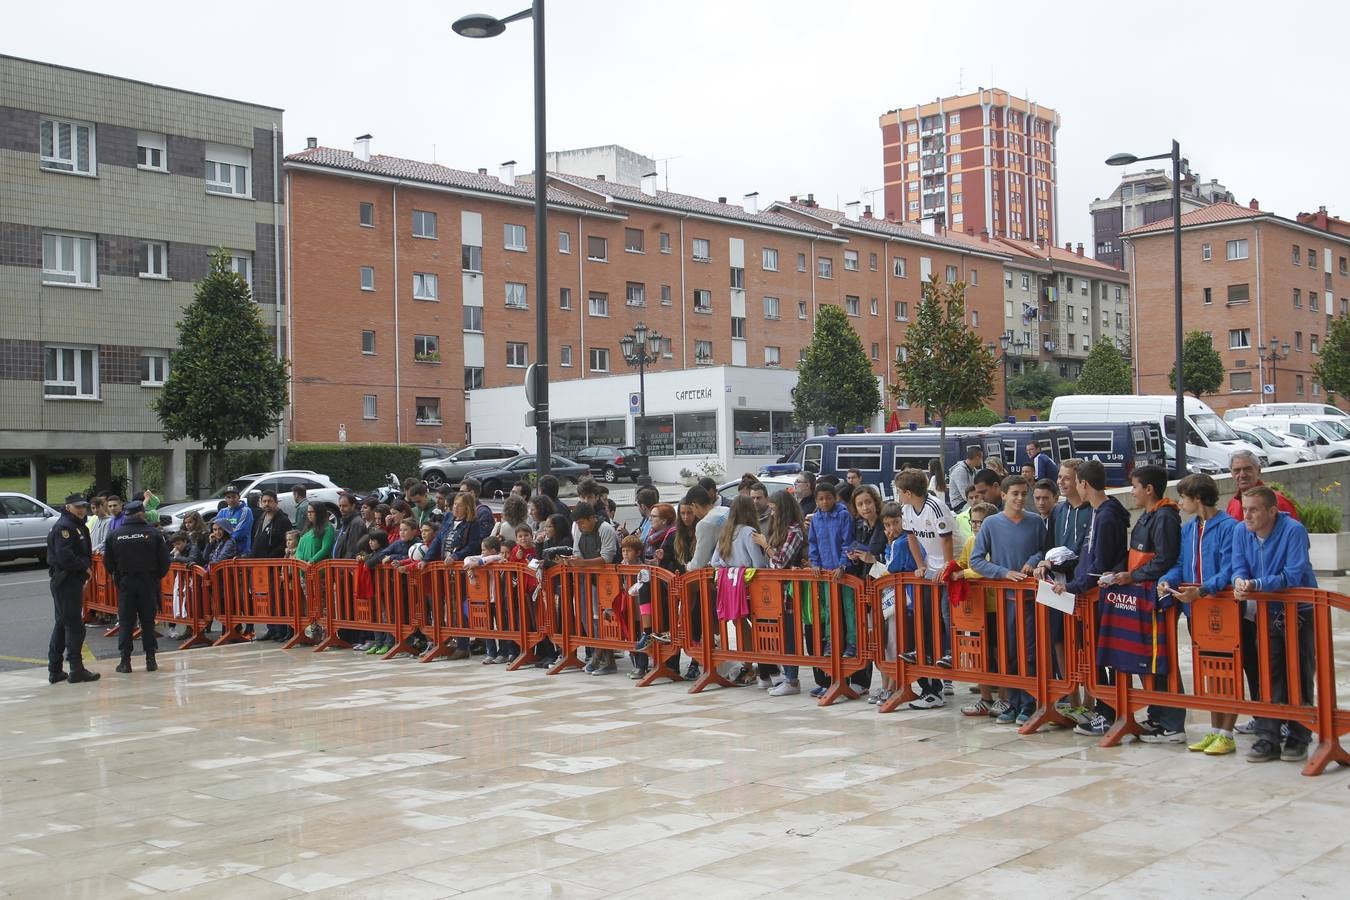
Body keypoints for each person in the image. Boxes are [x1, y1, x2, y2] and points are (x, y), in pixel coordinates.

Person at [1232, 486, 1318, 763]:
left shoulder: (1293, 531)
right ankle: (1268, 735)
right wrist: (1239, 581)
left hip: (1299, 611)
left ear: (1272, 510)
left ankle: (1299, 734)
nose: (1247, 515)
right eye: (1245, 509)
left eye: (1254, 509)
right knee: (1268, 672)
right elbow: (1239, 565)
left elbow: (1293, 574)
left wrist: (1255, 584)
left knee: (1300, 672)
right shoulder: (1241, 531)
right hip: (1266, 612)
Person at [1157, 473, 1239, 756]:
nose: (1180, 503)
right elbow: (1182, 563)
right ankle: (1215, 731)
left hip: (1221, 608)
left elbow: (1229, 568)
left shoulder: (1229, 526)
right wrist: (1168, 580)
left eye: (1183, 497)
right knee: (1209, 670)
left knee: (1227, 670)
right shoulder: (1190, 529)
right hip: (1196, 610)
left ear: (1198, 498)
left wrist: (1203, 589)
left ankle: (1227, 732)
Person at [1103, 464, 1183, 743]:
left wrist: (1132, 576)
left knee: (1162, 658)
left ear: (1149, 489)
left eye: (1135, 487)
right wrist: (1118, 573)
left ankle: (1173, 723)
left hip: (1155, 599)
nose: (1132, 492)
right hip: (1139, 598)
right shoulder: (1149, 515)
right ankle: (1157, 713)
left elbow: (1164, 559)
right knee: (1147, 660)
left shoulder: (1165, 517)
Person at [1054, 459, 1131, 737]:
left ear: (1083, 484)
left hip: (1102, 597)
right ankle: (1104, 710)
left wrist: (1073, 586)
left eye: (1074, 481)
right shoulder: (1099, 513)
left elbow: (1101, 563)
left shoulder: (1107, 515)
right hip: (1089, 593)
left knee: (1106, 658)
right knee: (1096, 655)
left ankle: (1110, 712)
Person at [969, 474, 1044, 724]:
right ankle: (1013, 702)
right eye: (1015, 494)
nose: (1020, 498)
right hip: (1004, 599)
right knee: (1009, 651)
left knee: (1030, 651)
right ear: (1003, 495)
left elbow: (1045, 550)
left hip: (1032, 599)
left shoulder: (1035, 522)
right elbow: (976, 560)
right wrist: (1002, 572)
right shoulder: (991, 524)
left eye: (1024, 493)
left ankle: (1030, 702)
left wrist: (1033, 561)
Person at [896, 470, 955, 707]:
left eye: (900, 492)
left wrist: (949, 568)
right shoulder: (907, 510)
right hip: (931, 566)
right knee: (926, 614)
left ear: (909, 493)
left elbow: (947, 539)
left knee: (945, 613)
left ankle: (950, 652)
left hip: (951, 563)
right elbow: (911, 537)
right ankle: (925, 652)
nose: (898, 496)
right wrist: (921, 565)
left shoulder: (935, 506)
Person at [104, 499, 171, 674]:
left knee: (126, 621)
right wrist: (156, 576)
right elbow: (164, 561)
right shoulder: (153, 533)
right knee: (148, 621)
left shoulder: (115, 534)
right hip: (148, 582)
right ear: (141, 513)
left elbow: (108, 563)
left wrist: (118, 577)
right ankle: (150, 659)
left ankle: (125, 661)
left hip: (126, 582)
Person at [754, 490, 808, 696]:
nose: (773, 514)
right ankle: (788, 677)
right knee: (784, 637)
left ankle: (792, 680)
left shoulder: (794, 531)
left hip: (790, 592)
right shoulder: (781, 529)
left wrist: (765, 545)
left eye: (775, 510)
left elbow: (778, 562)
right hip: (778, 592)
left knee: (790, 636)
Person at [46, 493, 100, 684]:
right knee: (74, 627)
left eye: (83, 506)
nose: (82, 509)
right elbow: (65, 556)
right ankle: (76, 669)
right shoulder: (65, 527)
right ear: (67, 507)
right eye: (77, 506)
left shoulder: (75, 525)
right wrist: (83, 568)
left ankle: (55, 669)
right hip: (66, 580)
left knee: (63, 625)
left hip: (70, 580)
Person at [805, 481, 852, 699]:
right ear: (816, 500)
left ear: (835, 497)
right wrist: (815, 563)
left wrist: (843, 565)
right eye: (820, 499)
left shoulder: (843, 515)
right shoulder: (817, 519)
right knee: (828, 611)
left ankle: (851, 643)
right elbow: (813, 543)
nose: (825, 502)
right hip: (824, 573)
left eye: (828, 498)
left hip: (843, 575)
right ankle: (831, 643)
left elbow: (846, 542)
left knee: (847, 611)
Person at [566, 501, 619, 675]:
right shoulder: (580, 531)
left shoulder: (605, 529)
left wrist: (583, 563)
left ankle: (603, 658)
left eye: (582, 522)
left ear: (592, 518)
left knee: (602, 621)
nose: (580, 527)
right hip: (586, 581)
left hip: (605, 582)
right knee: (586, 619)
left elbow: (607, 558)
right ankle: (600, 655)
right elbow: (577, 553)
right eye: (578, 524)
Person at [1226, 450, 1299, 522]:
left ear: (1259, 470)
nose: (1242, 475)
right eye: (1237, 470)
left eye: (1247, 469)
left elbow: (1294, 531)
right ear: (1231, 473)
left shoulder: (1278, 501)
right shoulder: (1233, 504)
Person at [251, 490, 293, 561]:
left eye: (270, 501)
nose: (267, 504)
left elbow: (285, 543)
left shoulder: (283, 520)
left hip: (274, 564)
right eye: (264, 501)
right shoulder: (260, 518)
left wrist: (269, 557)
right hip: (259, 563)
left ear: (276, 502)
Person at [215, 485, 254, 556]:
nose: (231, 499)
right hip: (225, 552)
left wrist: (224, 537)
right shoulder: (222, 512)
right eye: (228, 497)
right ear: (225, 499)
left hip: (241, 553)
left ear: (239, 497)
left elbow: (240, 533)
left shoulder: (246, 511)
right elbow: (216, 529)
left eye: (233, 496)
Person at [331, 492, 368, 560]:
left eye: (344, 506)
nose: (341, 509)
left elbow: (352, 551)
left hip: (345, 567)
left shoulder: (356, 524)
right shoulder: (346, 521)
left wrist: (342, 569)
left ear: (353, 506)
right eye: (340, 506)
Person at [947, 446, 983, 513]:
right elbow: (965, 494)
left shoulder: (973, 470)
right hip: (960, 504)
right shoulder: (960, 471)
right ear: (977, 457)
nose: (981, 461)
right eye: (981, 458)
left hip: (970, 500)